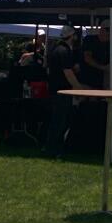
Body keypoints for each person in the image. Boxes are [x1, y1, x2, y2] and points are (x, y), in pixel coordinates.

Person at [45, 26, 82, 156]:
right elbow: (68, 73)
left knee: (56, 120)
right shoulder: (64, 51)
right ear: (72, 36)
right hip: (62, 91)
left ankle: (52, 148)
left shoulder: (56, 49)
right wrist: (78, 88)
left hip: (55, 89)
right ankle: (54, 149)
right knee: (60, 121)